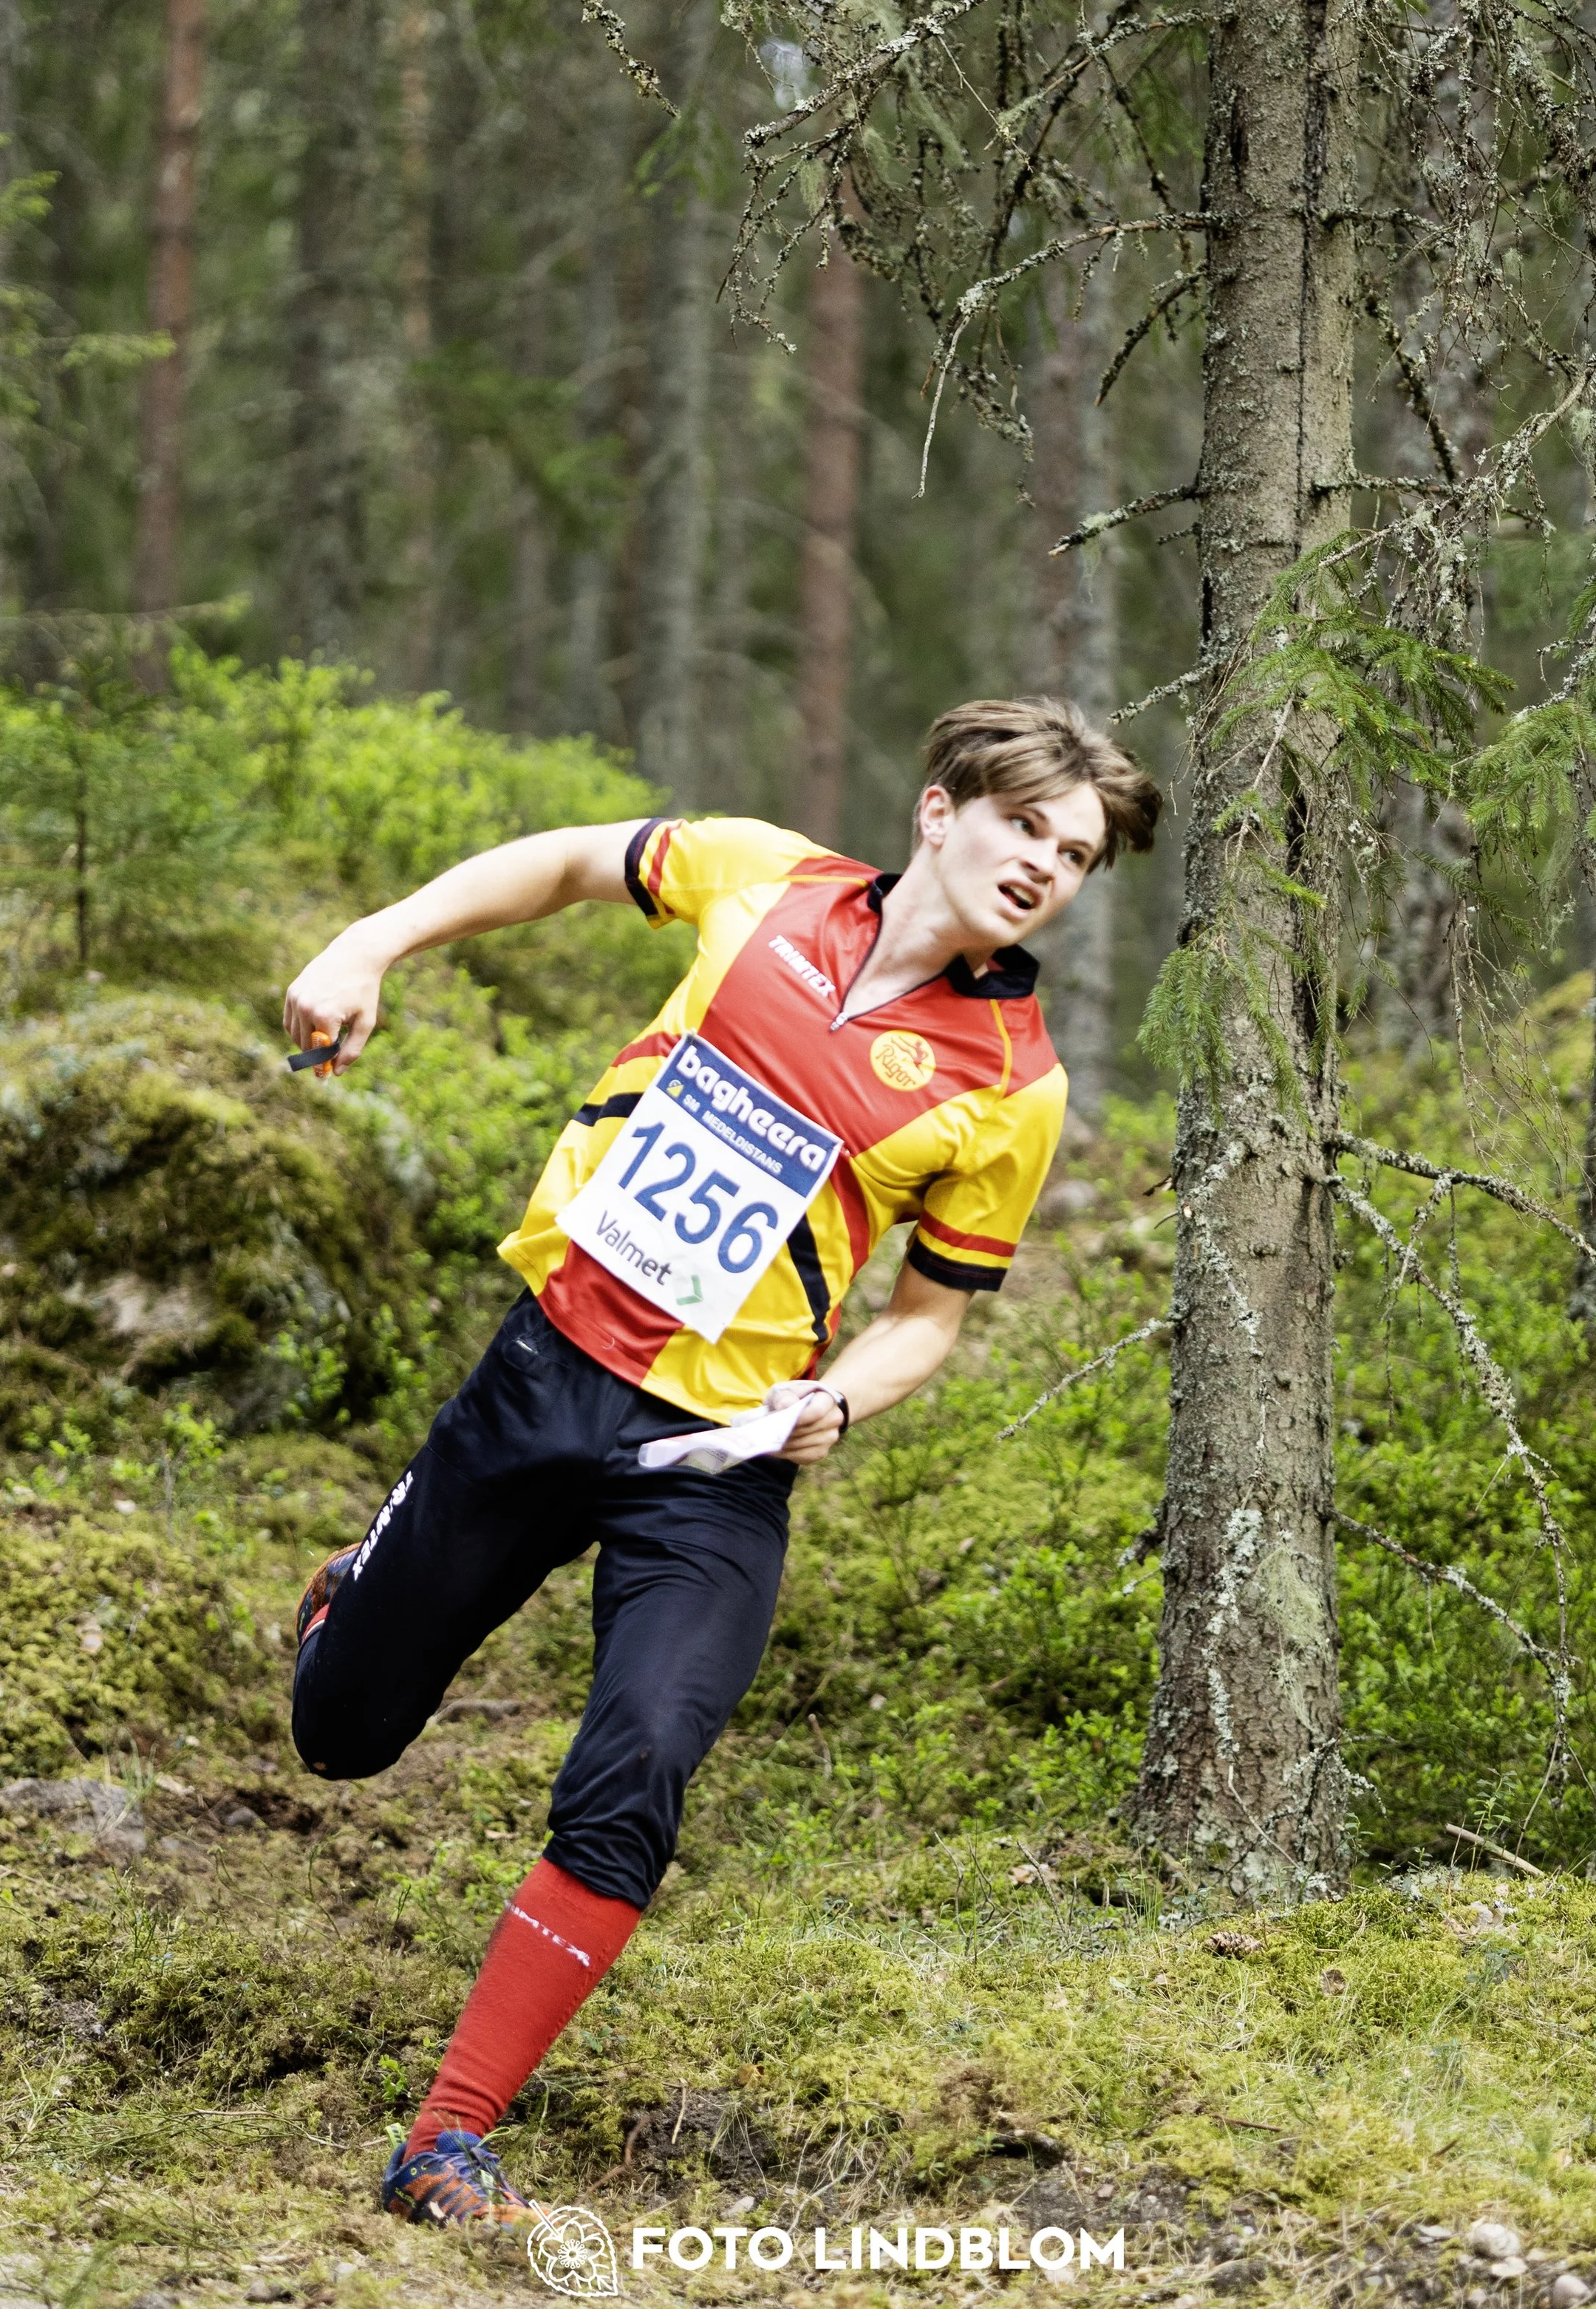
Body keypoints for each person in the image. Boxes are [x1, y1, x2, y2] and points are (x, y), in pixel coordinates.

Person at [282, 696, 1160, 2231]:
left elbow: (925, 1321)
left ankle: (447, 2136)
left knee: (635, 1770)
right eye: (1023, 824)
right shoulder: (764, 877)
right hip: (547, 1370)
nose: (1043, 865)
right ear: (936, 810)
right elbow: (562, 860)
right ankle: (353, 1591)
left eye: (1074, 854)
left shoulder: (1009, 1085)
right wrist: (372, 939)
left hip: (719, 1456)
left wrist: (837, 1403)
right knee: (339, 1733)